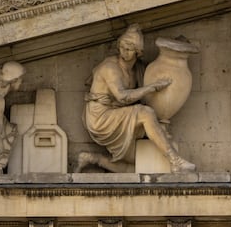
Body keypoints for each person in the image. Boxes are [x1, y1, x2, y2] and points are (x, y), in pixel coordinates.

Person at [78, 25, 196, 173]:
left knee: (141, 163)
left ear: (138, 52)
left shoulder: (137, 69)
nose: (124, 52)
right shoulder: (110, 67)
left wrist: (176, 45)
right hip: (100, 116)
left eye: (129, 49)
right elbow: (122, 97)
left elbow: (155, 74)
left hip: (118, 114)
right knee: (145, 113)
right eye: (122, 47)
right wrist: (152, 87)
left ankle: (91, 158)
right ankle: (175, 160)